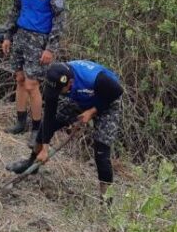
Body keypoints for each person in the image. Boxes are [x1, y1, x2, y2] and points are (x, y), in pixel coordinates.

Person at [9, 61, 123, 202]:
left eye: (60, 91)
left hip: (107, 101)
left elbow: (117, 91)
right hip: (81, 99)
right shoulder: (54, 81)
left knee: (101, 151)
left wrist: (93, 111)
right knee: (48, 125)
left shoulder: (93, 78)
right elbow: (49, 115)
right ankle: (32, 163)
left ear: (70, 83)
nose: (57, 94)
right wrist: (45, 148)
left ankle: (106, 198)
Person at [1, 0, 66, 147]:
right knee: (20, 79)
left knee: (32, 84)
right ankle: (20, 122)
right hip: (20, 35)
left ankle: (37, 128)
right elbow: (15, 9)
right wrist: (7, 36)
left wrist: (50, 48)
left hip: (39, 40)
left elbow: (59, 21)